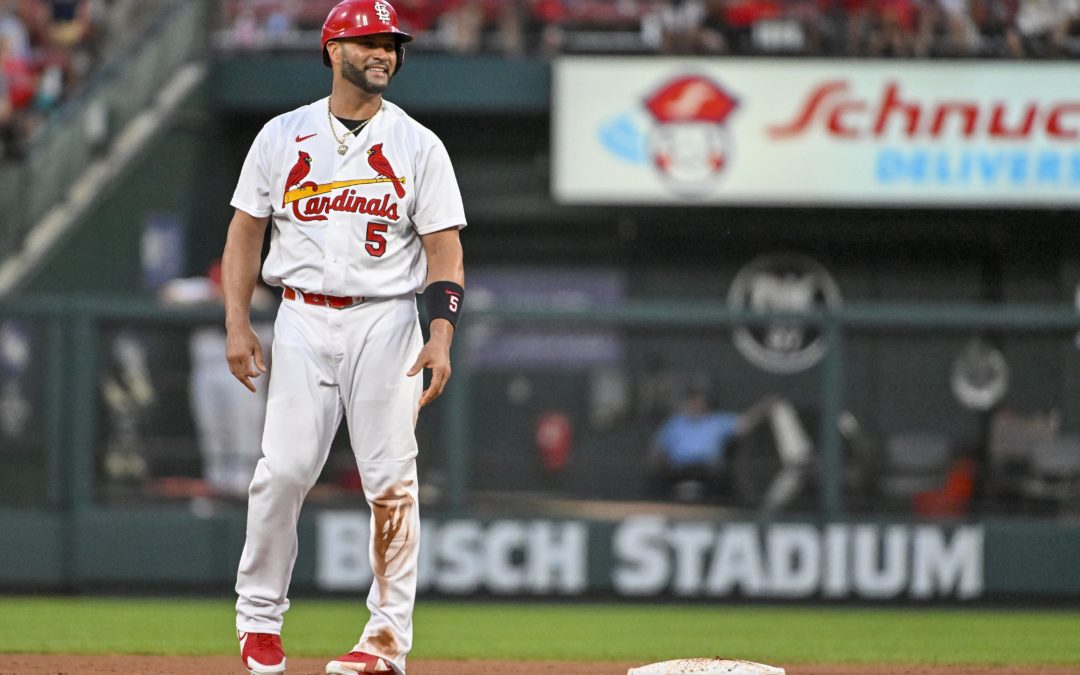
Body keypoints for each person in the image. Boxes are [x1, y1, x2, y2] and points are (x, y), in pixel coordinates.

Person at [222, 1, 467, 673]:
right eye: (369, 41)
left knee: (392, 482)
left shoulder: (419, 145)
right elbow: (245, 231)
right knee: (283, 471)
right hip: (300, 315)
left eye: (392, 43)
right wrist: (237, 320)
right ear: (334, 50)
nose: (384, 52)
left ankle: (385, 641)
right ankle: (259, 620)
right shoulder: (282, 135)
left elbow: (445, 252)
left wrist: (440, 333)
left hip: (386, 318)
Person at [158, 260, 274, 501]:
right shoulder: (204, 293)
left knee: (244, 436)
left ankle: (247, 494)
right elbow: (168, 295)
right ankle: (217, 490)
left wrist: (233, 297)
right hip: (208, 370)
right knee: (212, 434)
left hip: (244, 373)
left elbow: (264, 306)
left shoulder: (257, 298)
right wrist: (211, 294)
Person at [647, 381, 775, 503]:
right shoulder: (676, 422)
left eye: (700, 400)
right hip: (679, 470)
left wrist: (764, 406)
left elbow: (744, 423)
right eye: (693, 400)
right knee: (656, 481)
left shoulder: (717, 421)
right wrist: (659, 463)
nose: (696, 404)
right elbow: (659, 448)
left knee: (726, 485)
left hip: (707, 470)